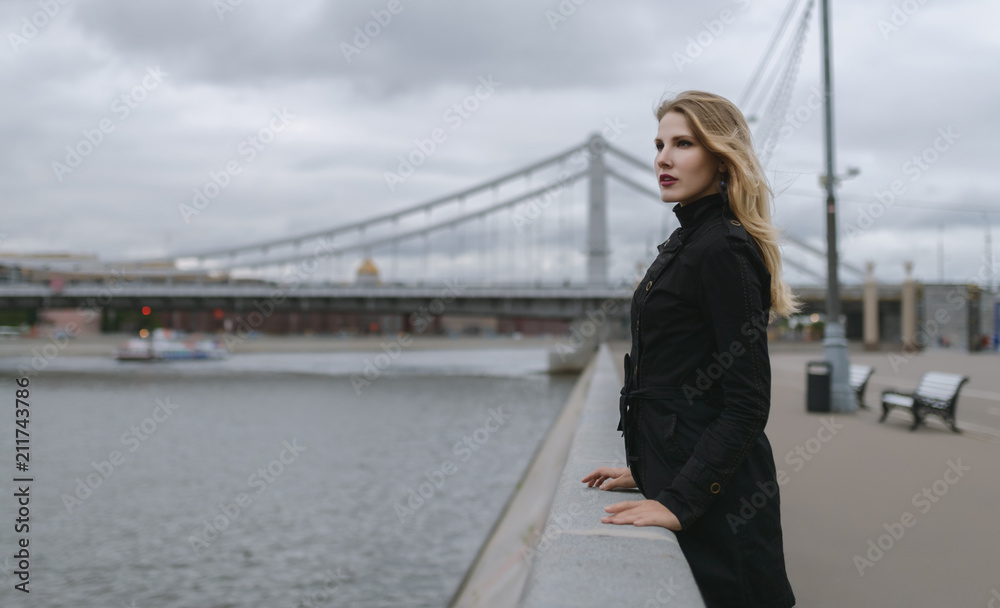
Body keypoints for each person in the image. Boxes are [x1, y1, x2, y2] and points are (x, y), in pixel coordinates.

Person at [580, 90, 801, 608]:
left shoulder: (721, 248)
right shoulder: (690, 241)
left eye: (683, 143)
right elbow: (682, 380)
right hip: (696, 485)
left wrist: (680, 498)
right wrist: (651, 466)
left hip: (724, 511)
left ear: (721, 157)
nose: (663, 157)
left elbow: (747, 403)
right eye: (659, 144)